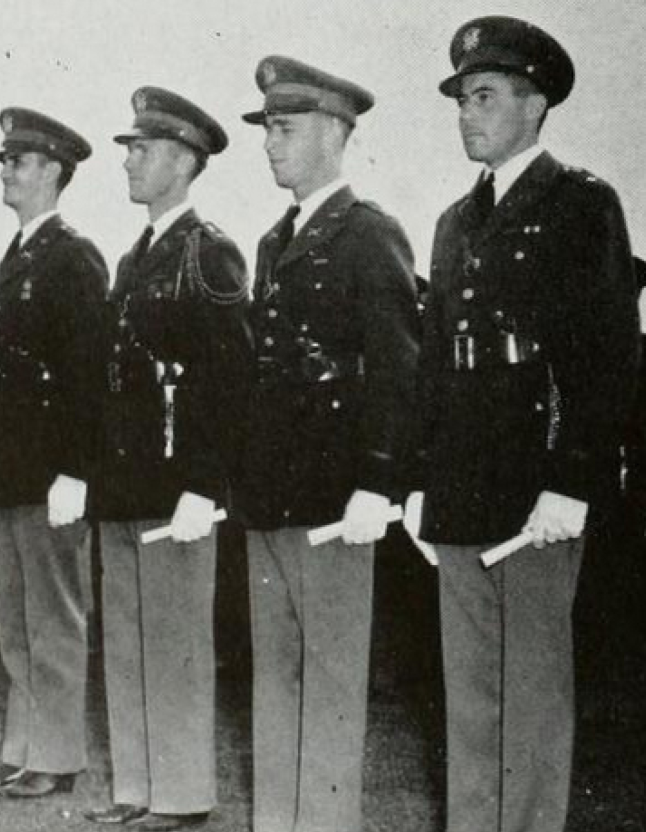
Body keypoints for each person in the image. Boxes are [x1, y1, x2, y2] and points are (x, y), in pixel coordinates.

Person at [410, 17, 640, 832]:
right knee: (470, 693)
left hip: (536, 482)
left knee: (533, 695)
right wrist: (417, 481)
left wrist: (572, 482)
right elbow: (435, 363)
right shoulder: (452, 222)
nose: (467, 114)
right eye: (462, 100)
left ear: (536, 104)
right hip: (463, 480)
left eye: (485, 96)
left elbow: (608, 355)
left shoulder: (580, 204)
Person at [234, 56, 420, 832]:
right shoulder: (275, 240)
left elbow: (399, 367)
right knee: (275, 676)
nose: (270, 145)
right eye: (268, 129)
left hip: (336, 495)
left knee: (332, 681)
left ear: (338, 133)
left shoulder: (368, 233)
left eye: (287, 127)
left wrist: (378, 481)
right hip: (273, 488)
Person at [85, 87, 251, 832]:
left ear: (183, 162)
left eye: (141, 149)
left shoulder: (206, 252)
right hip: (126, 480)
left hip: (174, 481)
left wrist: (205, 486)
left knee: (176, 642)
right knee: (125, 639)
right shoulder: (137, 256)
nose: (127, 160)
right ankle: (136, 788)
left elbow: (225, 377)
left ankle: (179, 794)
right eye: (128, 148)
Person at [0, 108, 107, 799]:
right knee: (16, 624)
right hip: (12, 474)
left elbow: (85, 375)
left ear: (51, 170)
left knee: (53, 621)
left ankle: (56, 755)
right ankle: (22, 749)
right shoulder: (18, 255)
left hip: (49, 474)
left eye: (18, 162)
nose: (7, 173)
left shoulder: (71, 257)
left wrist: (75, 470)